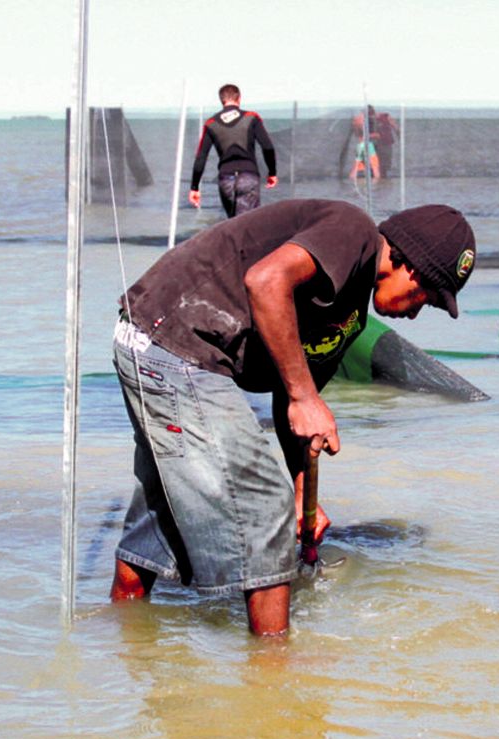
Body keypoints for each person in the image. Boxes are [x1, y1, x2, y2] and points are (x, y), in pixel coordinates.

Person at [109, 199, 477, 634]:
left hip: (162, 345)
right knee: (266, 507)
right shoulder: (353, 232)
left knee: (164, 506)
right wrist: (305, 399)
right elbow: (265, 281)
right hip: (174, 339)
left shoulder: (350, 313)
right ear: (411, 267)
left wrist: (304, 492)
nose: (417, 313)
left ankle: (123, 630)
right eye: (427, 298)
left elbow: (291, 396)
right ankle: (275, 664)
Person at [188, 84, 278, 218]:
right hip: (248, 177)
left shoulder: (211, 123)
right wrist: (272, 172)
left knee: (233, 222)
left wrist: (194, 187)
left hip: (226, 179)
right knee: (247, 223)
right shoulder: (251, 117)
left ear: (222, 100)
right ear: (239, 98)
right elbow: (267, 147)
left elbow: (201, 157)